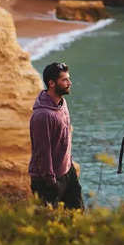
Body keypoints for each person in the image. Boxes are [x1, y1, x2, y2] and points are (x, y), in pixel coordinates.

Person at [28, 62, 83, 209]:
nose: (69, 83)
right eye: (64, 80)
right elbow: (42, 152)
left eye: (68, 79)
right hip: (47, 180)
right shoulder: (42, 115)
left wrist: (69, 165)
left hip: (67, 172)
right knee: (47, 224)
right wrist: (51, 182)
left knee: (77, 217)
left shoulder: (62, 103)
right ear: (51, 83)